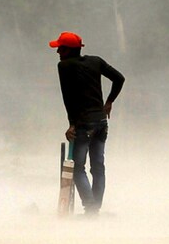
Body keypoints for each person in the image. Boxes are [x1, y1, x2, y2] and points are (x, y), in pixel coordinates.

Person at [50, 31, 125, 215]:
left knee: (77, 169)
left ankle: (90, 208)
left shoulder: (64, 66)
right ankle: (95, 209)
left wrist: (72, 124)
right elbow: (119, 78)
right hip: (101, 122)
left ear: (68, 50)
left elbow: (68, 97)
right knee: (98, 167)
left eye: (60, 48)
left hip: (84, 124)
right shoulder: (96, 61)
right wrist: (109, 102)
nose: (58, 52)